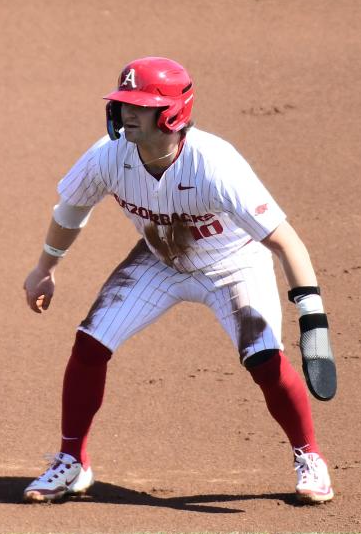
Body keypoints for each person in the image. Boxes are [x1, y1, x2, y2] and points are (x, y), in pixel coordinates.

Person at [21, 56, 338, 505]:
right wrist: (44, 268)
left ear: (171, 112)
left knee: (264, 361)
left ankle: (310, 457)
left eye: (139, 105)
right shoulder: (109, 156)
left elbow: (286, 241)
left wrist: (313, 318)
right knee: (89, 345)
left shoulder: (215, 164)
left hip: (233, 264)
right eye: (123, 103)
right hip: (158, 261)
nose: (125, 113)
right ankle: (72, 461)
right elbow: (70, 211)